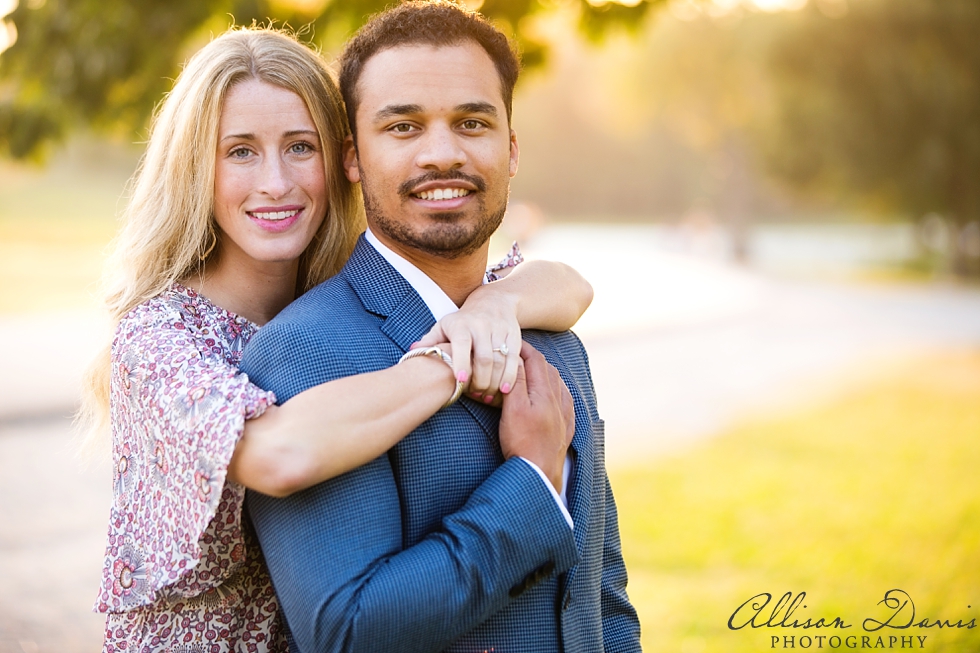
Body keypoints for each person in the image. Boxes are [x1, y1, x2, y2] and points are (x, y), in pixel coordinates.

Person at [81, 26, 594, 652]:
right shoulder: (162, 338)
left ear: (341, 159)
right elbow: (280, 456)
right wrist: (450, 360)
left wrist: (497, 302)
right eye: (240, 151)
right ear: (195, 169)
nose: (275, 182)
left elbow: (569, 286)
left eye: (301, 147)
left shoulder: (336, 297)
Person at [240, 2, 641, 652]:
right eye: (403, 127)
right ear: (352, 157)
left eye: (472, 122)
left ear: (510, 149)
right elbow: (347, 630)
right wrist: (533, 483)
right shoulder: (305, 350)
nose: (443, 153)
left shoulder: (556, 339)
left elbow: (601, 596)